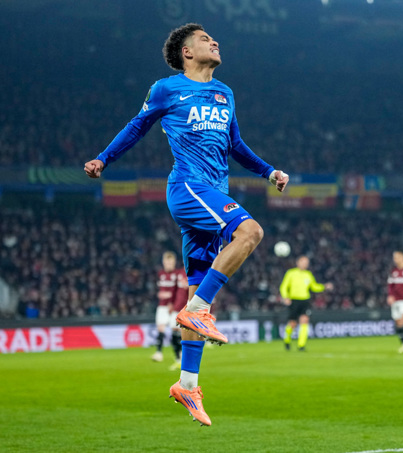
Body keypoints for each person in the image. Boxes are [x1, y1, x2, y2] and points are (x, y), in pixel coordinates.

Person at [84, 23, 289, 426]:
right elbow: (137, 126)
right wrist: (103, 158)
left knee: (197, 287)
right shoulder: (166, 88)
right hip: (188, 187)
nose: (214, 41)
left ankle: (187, 384)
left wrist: (269, 172)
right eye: (205, 39)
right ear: (187, 53)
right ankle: (197, 310)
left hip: (213, 192)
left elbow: (235, 145)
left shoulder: (225, 92)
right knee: (250, 232)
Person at [280, 256, 333, 351]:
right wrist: (285, 297)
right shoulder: (291, 273)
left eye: (306, 262)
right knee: (292, 323)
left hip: (305, 300)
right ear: (298, 262)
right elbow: (283, 286)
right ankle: (287, 340)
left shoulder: (308, 274)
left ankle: (301, 345)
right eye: (303, 262)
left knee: (305, 320)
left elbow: (314, 287)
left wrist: (324, 287)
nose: (305, 264)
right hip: (294, 300)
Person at [152, 251, 178, 362]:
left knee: (174, 329)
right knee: (160, 328)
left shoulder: (177, 274)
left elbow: (179, 291)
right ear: (163, 262)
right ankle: (159, 353)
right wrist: (157, 293)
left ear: (174, 262)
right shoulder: (160, 274)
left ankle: (178, 356)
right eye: (167, 263)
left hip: (174, 307)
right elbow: (155, 289)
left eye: (171, 263)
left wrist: (170, 296)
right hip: (162, 306)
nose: (169, 265)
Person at [168, 266, 189, 370]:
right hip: (176, 308)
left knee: (183, 333)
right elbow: (174, 289)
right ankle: (177, 359)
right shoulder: (179, 273)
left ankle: (183, 359)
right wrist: (171, 302)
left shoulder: (195, 273)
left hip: (186, 309)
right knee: (173, 332)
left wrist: (188, 288)